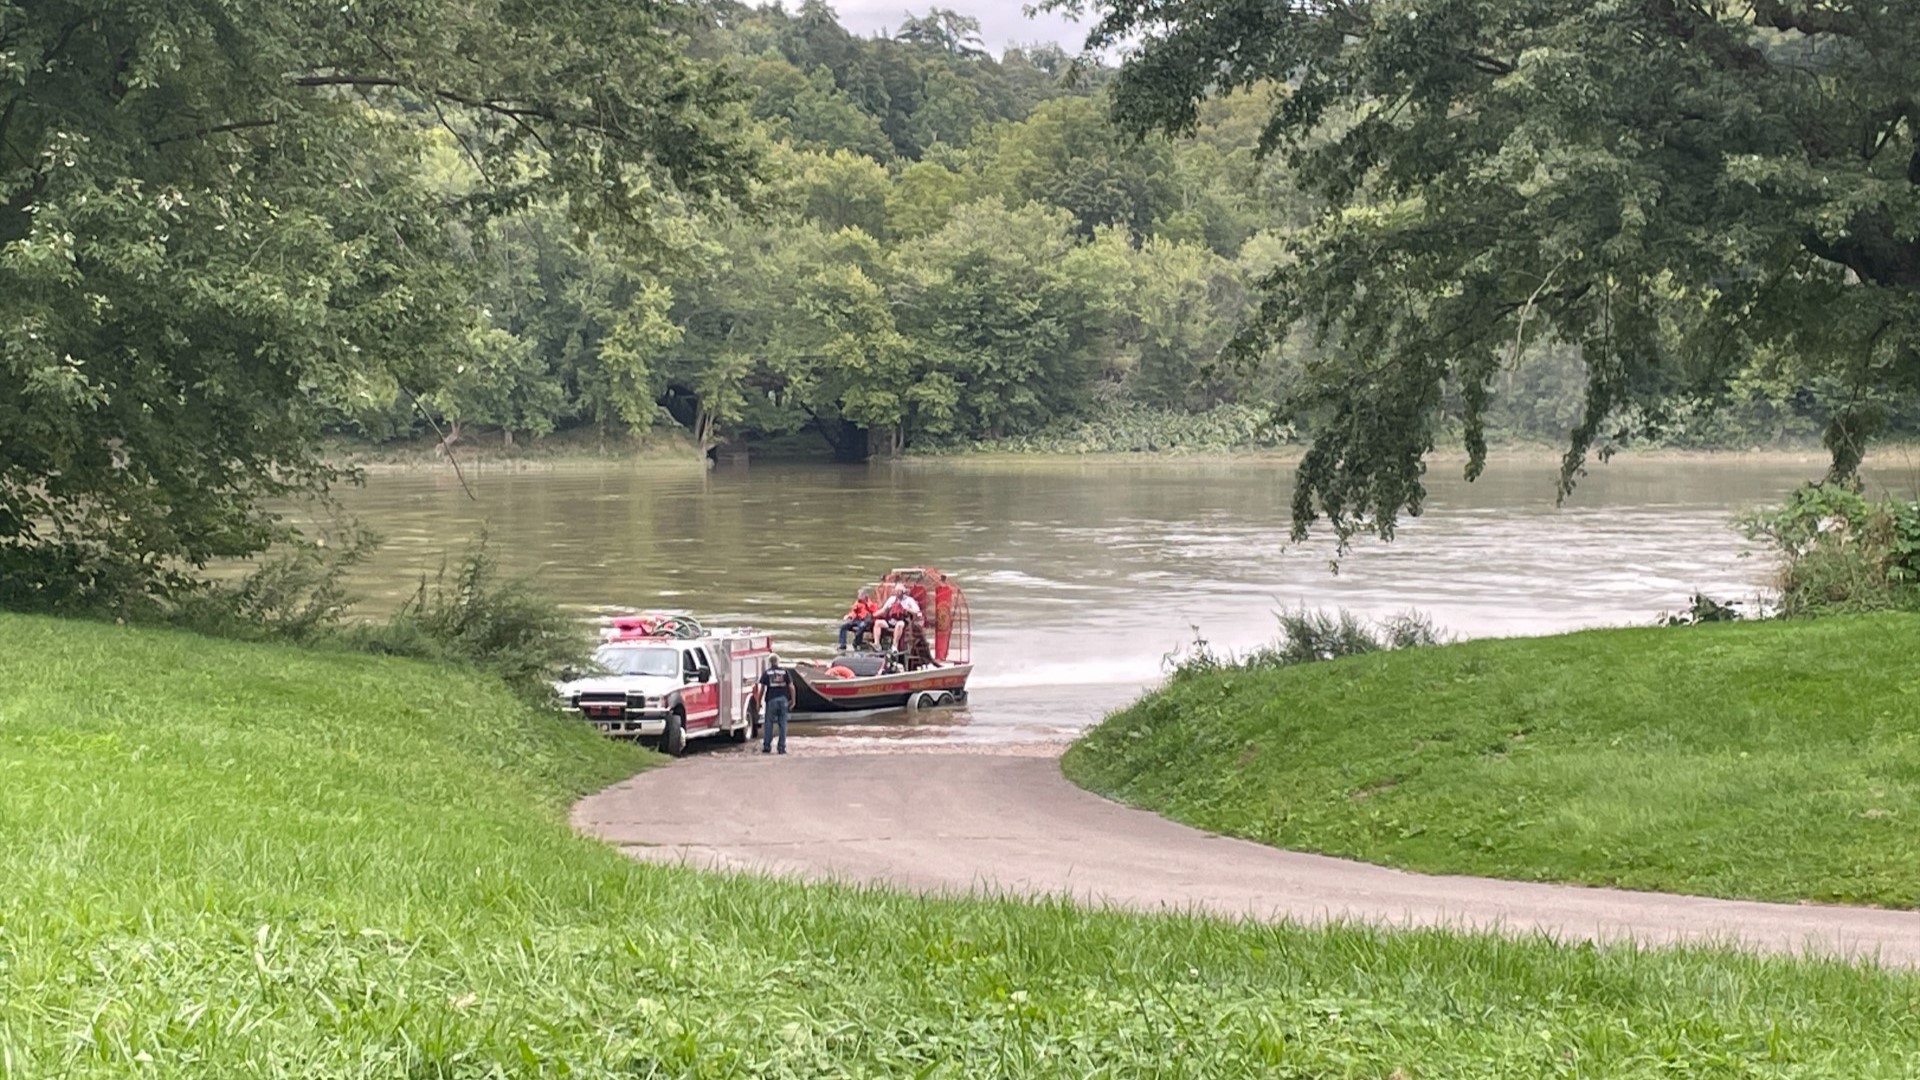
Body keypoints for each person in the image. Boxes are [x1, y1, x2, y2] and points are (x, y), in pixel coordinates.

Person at [756, 654, 793, 755]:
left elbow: (762, 689)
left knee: (768, 724)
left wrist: (758, 703)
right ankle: (781, 748)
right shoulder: (785, 672)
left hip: (771, 700)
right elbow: (791, 687)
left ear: (770, 662)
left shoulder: (767, 673)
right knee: (782, 725)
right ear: (778, 661)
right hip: (783, 700)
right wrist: (793, 700)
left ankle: (767, 746)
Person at [873, 584, 922, 654]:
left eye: (899, 591)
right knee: (878, 623)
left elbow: (917, 611)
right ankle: (877, 644)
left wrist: (908, 609)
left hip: (902, 620)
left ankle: (894, 646)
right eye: (896, 591)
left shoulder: (909, 600)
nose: (897, 593)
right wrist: (874, 614)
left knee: (899, 624)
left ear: (903, 592)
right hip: (891, 620)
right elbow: (883, 610)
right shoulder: (892, 599)